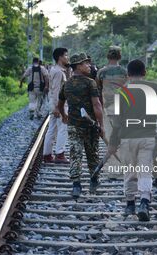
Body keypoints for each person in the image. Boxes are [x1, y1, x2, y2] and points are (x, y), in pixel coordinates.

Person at [107, 59, 157, 220]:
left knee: (130, 170)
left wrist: (112, 143)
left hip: (127, 138)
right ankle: (144, 202)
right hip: (148, 137)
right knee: (145, 170)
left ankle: (130, 204)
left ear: (128, 75)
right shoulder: (155, 87)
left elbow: (117, 124)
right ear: (145, 72)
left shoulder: (122, 92)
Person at [58, 53, 104, 198]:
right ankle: (94, 180)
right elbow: (97, 105)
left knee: (75, 154)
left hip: (73, 125)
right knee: (93, 155)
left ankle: (76, 185)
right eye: (86, 63)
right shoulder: (90, 83)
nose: (89, 65)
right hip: (90, 126)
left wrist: (64, 116)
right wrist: (101, 125)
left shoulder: (67, 84)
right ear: (78, 66)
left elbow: (60, 104)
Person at [95, 46, 128, 179]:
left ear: (108, 57)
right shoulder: (124, 72)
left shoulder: (101, 72)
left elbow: (97, 89)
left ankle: (115, 169)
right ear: (119, 57)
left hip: (107, 108)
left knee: (110, 138)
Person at [43, 48, 70, 163]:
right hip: (59, 105)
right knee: (62, 129)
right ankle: (60, 154)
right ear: (60, 57)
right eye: (66, 55)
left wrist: (53, 105)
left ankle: (47, 155)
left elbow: (51, 89)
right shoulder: (59, 72)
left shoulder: (55, 70)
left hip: (54, 103)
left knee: (52, 129)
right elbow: (57, 91)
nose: (67, 58)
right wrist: (57, 107)